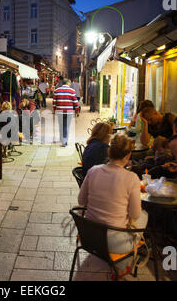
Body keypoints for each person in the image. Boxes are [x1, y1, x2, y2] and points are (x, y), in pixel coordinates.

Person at [78, 135, 148, 278]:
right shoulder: (131, 178)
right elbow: (134, 215)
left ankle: (119, 265)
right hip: (113, 242)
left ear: (109, 152)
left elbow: (81, 201)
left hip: (88, 236)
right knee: (144, 215)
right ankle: (122, 266)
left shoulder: (93, 171)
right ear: (129, 155)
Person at [53, 78, 79, 147]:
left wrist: (54, 109)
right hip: (69, 112)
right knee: (66, 126)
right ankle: (64, 142)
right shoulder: (72, 91)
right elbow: (75, 102)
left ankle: (62, 139)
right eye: (70, 83)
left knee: (61, 125)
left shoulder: (57, 90)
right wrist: (77, 111)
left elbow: (54, 102)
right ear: (68, 83)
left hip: (60, 111)